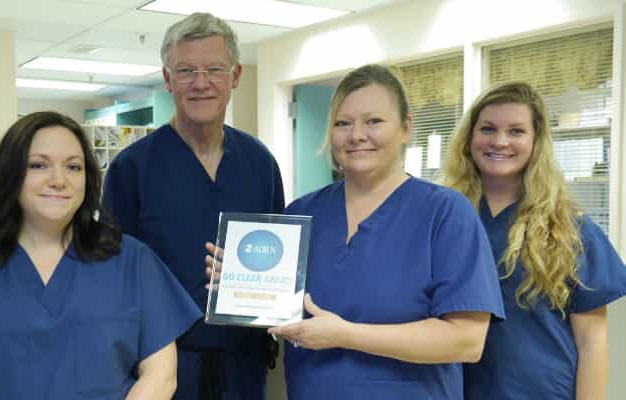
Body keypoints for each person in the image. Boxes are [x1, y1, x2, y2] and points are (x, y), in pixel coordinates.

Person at [0, 111, 201, 399]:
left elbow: (161, 376)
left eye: (73, 167)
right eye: (38, 165)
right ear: (11, 175)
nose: (59, 180)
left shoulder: (131, 261)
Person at [255, 64, 505, 399]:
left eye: (374, 121)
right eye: (343, 123)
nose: (357, 135)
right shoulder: (302, 214)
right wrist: (242, 278)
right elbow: (276, 309)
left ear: (405, 128)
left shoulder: (445, 213)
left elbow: (467, 341)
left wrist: (346, 335)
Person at [102, 12, 285, 400]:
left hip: (244, 364)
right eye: (185, 71)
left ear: (234, 76)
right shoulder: (131, 168)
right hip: (162, 368)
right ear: (168, 80)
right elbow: (112, 280)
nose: (200, 83)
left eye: (214, 70)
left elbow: (280, 266)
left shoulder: (260, 164)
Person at [443, 81, 626, 400]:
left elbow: (593, 341)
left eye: (516, 131)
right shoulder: (442, 219)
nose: (500, 141)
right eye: (487, 128)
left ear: (536, 141)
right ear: (469, 137)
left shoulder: (569, 228)